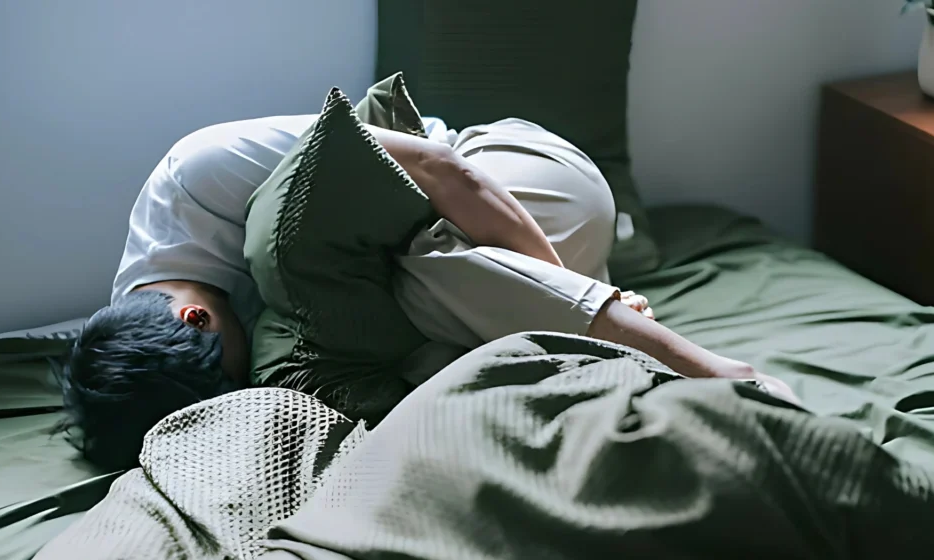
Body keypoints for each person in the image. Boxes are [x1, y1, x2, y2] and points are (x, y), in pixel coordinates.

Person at [61, 113, 797, 471]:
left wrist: (572, 287)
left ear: (195, 317)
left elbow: (447, 172)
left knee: (410, 278)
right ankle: (599, 347)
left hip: (518, 183)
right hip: (497, 270)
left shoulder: (201, 175)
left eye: (226, 369)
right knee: (416, 379)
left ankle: (709, 371)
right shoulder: (137, 326)